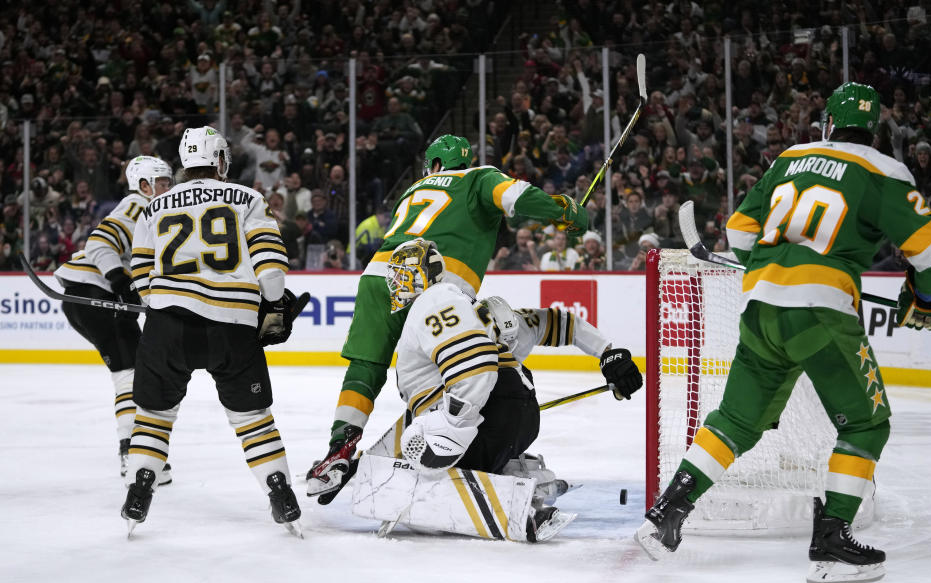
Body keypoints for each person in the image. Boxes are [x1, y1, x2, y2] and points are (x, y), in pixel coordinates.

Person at [636, 83, 931, 583]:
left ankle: (667, 514)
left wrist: (779, 261)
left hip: (761, 310)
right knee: (866, 425)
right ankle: (830, 544)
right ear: (871, 129)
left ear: (827, 123)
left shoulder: (792, 157)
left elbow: (740, 236)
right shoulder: (883, 170)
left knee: (735, 423)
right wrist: (925, 295)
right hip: (820, 315)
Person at [306, 133, 590, 504]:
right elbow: (518, 197)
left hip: (380, 276)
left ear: (433, 164)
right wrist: (566, 212)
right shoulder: (478, 177)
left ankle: (339, 451)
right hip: (434, 283)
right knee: (458, 365)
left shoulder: (414, 190)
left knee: (365, 367)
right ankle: (461, 444)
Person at [348, 238, 643, 541]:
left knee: (423, 444)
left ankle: (505, 490)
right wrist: (608, 352)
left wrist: (451, 430)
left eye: (399, 274)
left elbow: (474, 365)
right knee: (427, 428)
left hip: (483, 420)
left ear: (420, 274)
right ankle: (520, 476)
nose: (393, 283)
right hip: (519, 415)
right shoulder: (475, 310)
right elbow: (556, 322)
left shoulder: (433, 301)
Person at [122, 127, 303, 537]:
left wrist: (164, 305)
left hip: (168, 326)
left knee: (153, 415)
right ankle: (280, 493)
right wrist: (273, 307)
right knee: (253, 418)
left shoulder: (153, 207)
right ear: (220, 160)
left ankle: (140, 487)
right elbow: (271, 269)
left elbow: (141, 277)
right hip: (232, 326)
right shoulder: (249, 198)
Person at [53, 156, 174, 481]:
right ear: (144, 186)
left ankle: (141, 453)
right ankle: (133, 453)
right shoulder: (138, 204)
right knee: (130, 374)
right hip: (94, 294)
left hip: (94, 299)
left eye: (168, 181)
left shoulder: (159, 213)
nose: (168, 188)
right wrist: (120, 281)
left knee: (136, 374)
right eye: (162, 182)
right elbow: (99, 242)